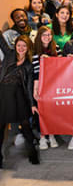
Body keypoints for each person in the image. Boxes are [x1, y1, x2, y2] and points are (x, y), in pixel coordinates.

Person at [0, 31, 39, 167]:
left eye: (24, 46)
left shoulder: (29, 65)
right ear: (15, 46)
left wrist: (33, 104)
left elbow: (29, 86)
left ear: (28, 48)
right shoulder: (9, 55)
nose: (21, 48)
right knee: (1, 127)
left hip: (19, 96)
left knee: (26, 126)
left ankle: (33, 155)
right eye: (18, 45)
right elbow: (2, 42)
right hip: (3, 94)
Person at [31, 26, 62, 150]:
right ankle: (43, 137)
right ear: (39, 37)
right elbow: (35, 72)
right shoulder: (34, 50)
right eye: (44, 35)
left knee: (52, 111)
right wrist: (35, 89)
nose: (47, 37)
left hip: (54, 84)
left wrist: (50, 61)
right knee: (41, 112)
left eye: (49, 35)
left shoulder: (57, 48)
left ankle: (52, 135)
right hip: (40, 84)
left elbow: (61, 67)